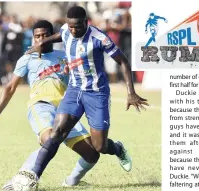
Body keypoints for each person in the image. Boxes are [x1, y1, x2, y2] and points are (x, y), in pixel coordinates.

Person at [25, 5, 149, 185]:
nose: (73, 30)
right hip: (74, 91)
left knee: (100, 146)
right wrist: (42, 42)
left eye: (78, 26)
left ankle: (118, 149)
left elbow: (122, 61)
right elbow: (60, 35)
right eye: (70, 26)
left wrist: (131, 92)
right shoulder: (66, 31)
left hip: (96, 94)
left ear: (86, 22)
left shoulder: (99, 38)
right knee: (57, 132)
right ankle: (33, 177)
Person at [0, 20, 100, 190]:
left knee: (92, 154)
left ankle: (71, 181)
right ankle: (19, 180)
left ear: (53, 37)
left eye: (45, 36)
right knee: (51, 139)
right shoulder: (27, 58)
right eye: (37, 36)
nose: (40, 39)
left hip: (65, 111)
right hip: (40, 107)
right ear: (33, 38)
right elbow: (10, 87)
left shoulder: (65, 56)